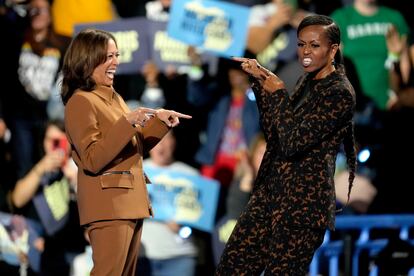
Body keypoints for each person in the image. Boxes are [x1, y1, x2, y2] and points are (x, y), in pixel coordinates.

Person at [216, 14, 357, 275]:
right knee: (230, 269)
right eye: (301, 44)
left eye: (314, 46)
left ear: (333, 49)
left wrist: (279, 91)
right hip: (271, 196)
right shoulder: (305, 82)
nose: (306, 51)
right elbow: (277, 134)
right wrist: (260, 84)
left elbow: (293, 142)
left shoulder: (339, 93)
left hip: (301, 208)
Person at [61, 28, 191, 276]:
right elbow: (92, 158)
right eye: (108, 56)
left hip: (129, 202)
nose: (116, 62)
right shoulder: (81, 101)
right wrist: (127, 123)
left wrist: (160, 122)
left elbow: (132, 148)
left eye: (116, 55)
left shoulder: (114, 98)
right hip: (110, 205)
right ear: (88, 59)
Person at [138, 130, 198, 276]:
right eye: (156, 140)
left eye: (166, 139)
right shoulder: (135, 171)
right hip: (142, 257)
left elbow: (201, 219)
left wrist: (184, 225)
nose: (161, 145)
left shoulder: (191, 175)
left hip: (179, 258)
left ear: (174, 142)